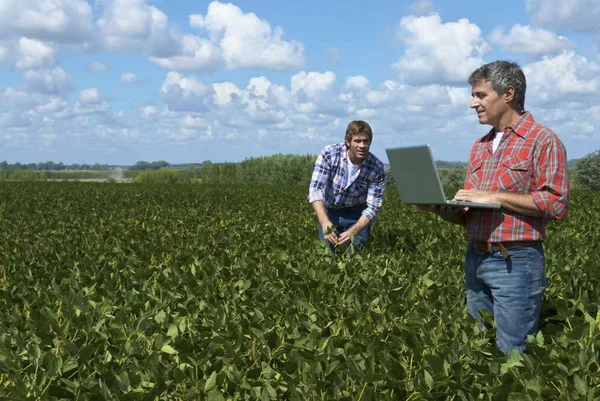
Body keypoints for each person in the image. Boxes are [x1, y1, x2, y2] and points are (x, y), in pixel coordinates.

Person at [421, 60, 569, 353]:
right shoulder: (479, 146)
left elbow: (556, 203)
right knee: (478, 350)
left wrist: (495, 196)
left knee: (512, 352)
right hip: (475, 258)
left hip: (516, 261)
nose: (473, 103)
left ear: (508, 94)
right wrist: (444, 210)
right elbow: (469, 214)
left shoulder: (542, 140)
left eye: (480, 95)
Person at [308, 120, 387, 251]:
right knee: (325, 257)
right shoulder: (330, 154)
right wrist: (324, 222)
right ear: (348, 141)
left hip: (357, 215)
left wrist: (353, 231)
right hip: (329, 212)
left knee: (358, 259)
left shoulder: (377, 168)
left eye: (366, 141)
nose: (362, 145)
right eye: (357, 141)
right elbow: (316, 189)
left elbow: (373, 207)